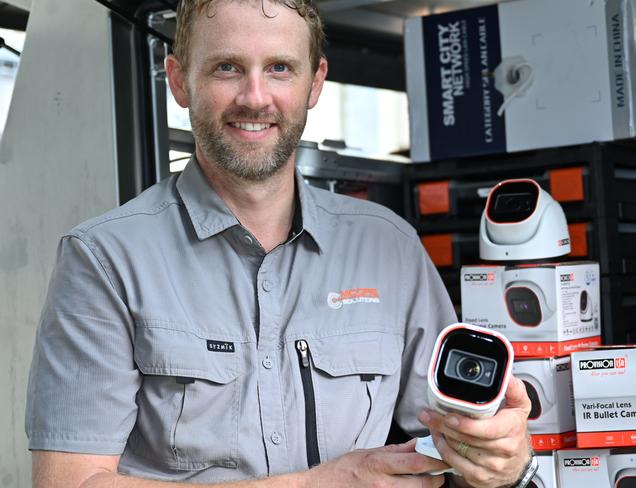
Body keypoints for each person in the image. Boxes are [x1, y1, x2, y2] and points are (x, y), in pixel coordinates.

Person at [25, 0, 533, 487]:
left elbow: (455, 446)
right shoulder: (105, 259)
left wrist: (502, 463)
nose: (255, 97)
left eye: (280, 69)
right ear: (179, 81)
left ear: (315, 84)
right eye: (226, 67)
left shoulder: (388, 246)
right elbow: (70, 482)